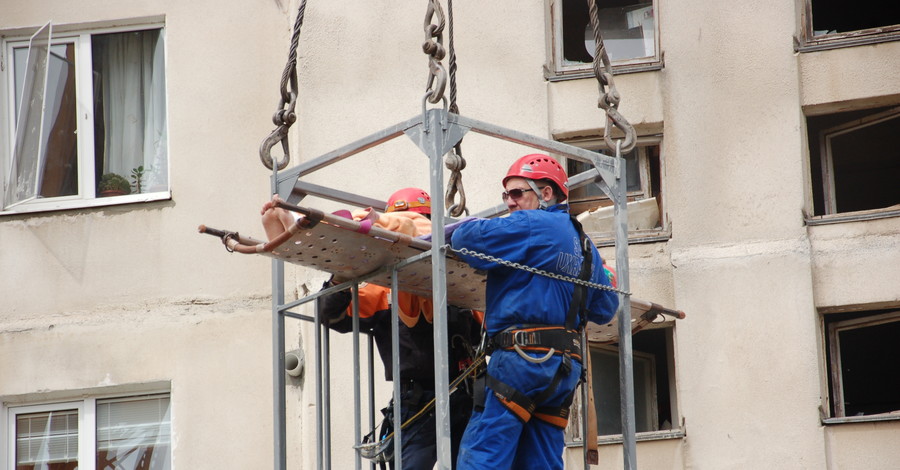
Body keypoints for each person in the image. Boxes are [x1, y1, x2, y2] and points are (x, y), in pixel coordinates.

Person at [449, 154, 619, 470]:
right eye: (505, 195)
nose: (509, 203)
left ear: (546, 193)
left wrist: (471, 225)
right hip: (563, 370)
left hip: (522, 361)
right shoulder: (586, 248)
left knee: (484, 456)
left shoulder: (530, 223)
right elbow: (606, 309)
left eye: (517, 193)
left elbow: (463, 239)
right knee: (540, 462)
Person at [314, 188, 483, 470]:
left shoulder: (459, 284)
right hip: (417, 401)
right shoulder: (382, 292)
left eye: (423, 221)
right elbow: (330, 315)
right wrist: (342, 274)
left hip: (463, 395)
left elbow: (489, 328)